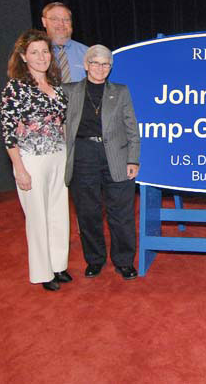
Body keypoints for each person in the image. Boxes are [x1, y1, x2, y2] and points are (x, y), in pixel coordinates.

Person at [1, 29, 72, 291]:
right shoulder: (15, 88)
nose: (42, 57)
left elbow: (62, 124)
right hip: (31, 159)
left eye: (45, 51)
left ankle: (58, 265)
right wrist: (19, 168)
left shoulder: (55, 85)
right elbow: (9, 132)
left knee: (58, 213)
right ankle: (43, 273)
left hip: (58, 155)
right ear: (23, 56)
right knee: (37, 217)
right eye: (35, 52)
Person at [64, 45, 141, 280]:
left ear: (111, 67)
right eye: (95, 63)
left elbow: (132, 128)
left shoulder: (121, 91)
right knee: (88, 213)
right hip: (83, 155)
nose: (101, 68)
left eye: (106, 64)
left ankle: (124, 261)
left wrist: (133, 159)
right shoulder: (68, 91)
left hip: (116, 156)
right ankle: (95, 260)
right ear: (86, 65)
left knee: (122, 213)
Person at [41, 1, 88, 82]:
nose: (61, 24)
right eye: (55, 19)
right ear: (44, 22)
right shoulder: (36, 55)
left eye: (66, 20)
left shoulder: (87, 53)